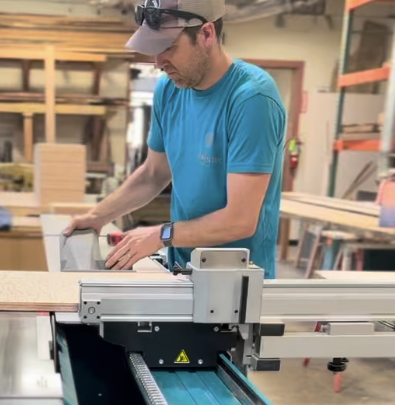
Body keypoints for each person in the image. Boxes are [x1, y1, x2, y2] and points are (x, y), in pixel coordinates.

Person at [64, 0, 286, 278]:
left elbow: (239, 221)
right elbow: (153, 174)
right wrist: (97, 217)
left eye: (168, 47)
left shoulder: (251, 99)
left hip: (238, 281)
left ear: (206, 34)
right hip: (182, 270)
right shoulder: (169, 90)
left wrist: (161, 234)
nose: (158, 62)